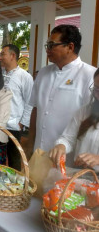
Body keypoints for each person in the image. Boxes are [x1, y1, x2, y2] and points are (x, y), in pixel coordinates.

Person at [28, 24, 97, 154]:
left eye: (51, 45)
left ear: (70, 47)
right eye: (47, 45)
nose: (47, 49)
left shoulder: (89, 75)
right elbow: (36, 110)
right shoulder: (43, 73)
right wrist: (30, 145)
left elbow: (90, 118)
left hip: (68, 155)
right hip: (39, 151)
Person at [49, 68, 99, 172]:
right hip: (81, 174)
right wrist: (61, 146)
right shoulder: (85, 111)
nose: (96, 95)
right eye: (96, 89)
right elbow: (68, 138)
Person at [0, 44, 34, 170]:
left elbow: (30, 101)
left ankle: (14, 187)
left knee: (14, 159)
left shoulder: (24, 76)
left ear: (13, 56)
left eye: (3, 54)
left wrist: (22, 123)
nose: (0, 57)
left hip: (13, 125)